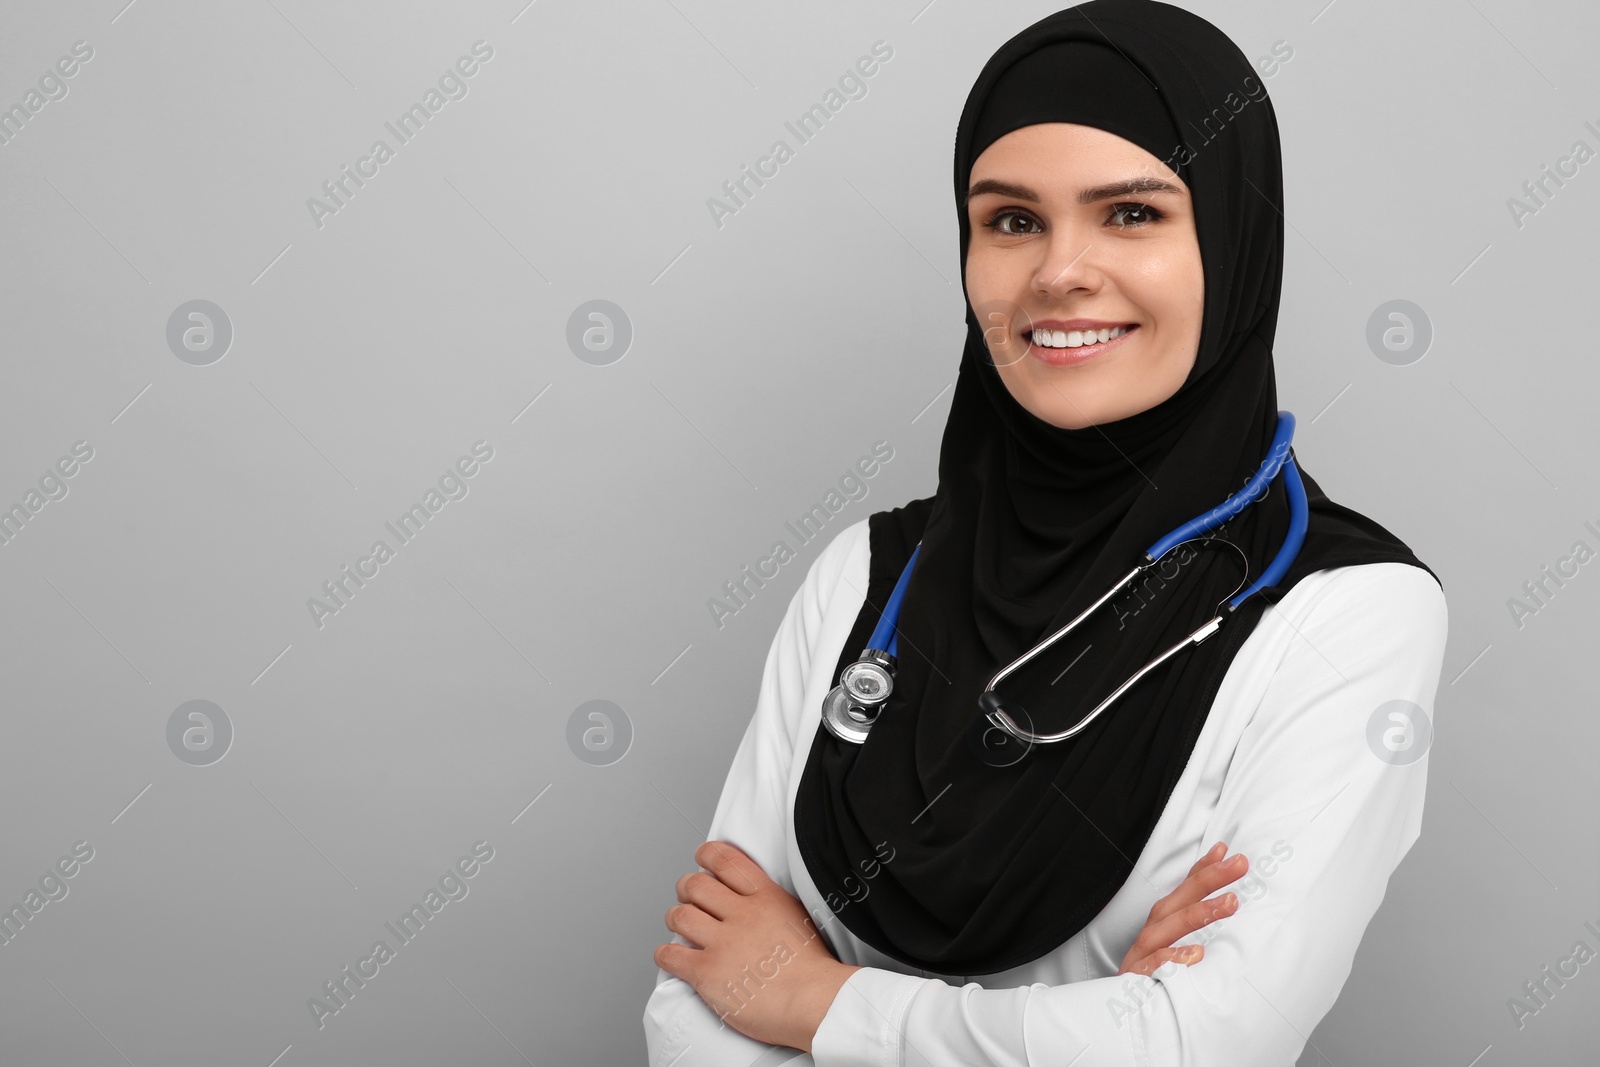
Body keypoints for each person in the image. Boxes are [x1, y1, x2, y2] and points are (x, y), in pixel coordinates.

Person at [643, 1, 1449, 1063]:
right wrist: (1080, 1024)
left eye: (1131, 214)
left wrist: (815, 1001)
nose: (1058, 271)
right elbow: (697, 1008)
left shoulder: (1348, 611)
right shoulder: (866, 577)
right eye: (1011, 219)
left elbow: (1203, 1042)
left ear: (1234, 234)